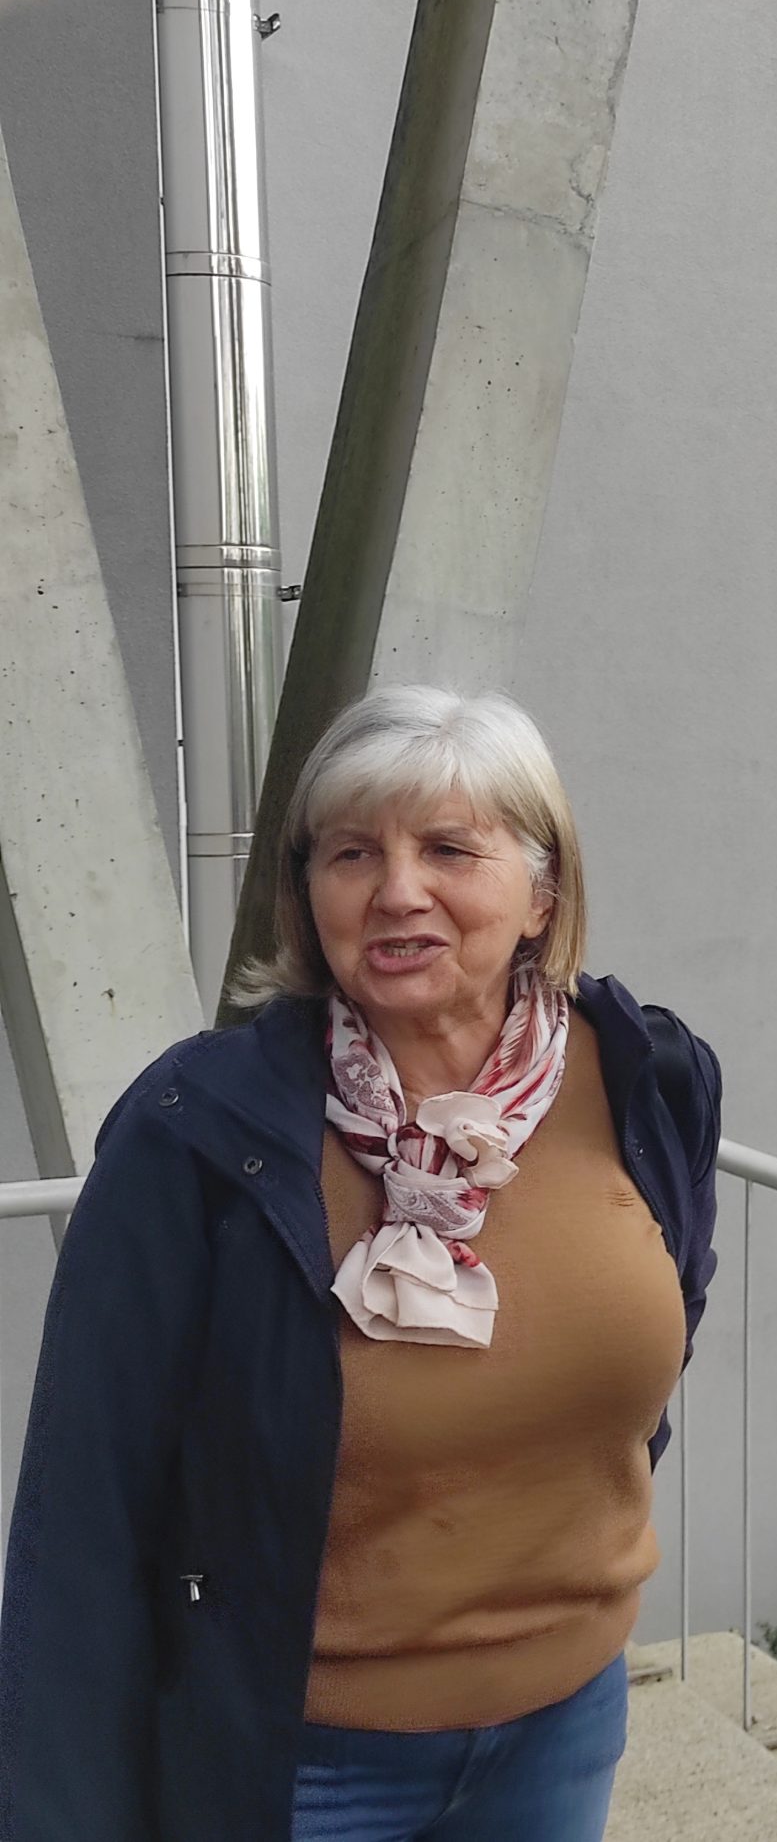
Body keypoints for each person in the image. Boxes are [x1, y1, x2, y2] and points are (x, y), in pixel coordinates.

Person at [0, 687, 722, 1842]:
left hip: (564, 1726)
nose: (396, 889)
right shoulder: (198, 1131)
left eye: (447, 847)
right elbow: (88, 1505)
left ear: (542, 891)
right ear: (308, 894)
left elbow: (666, 1307)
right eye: (352, 853)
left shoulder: (647, 1077)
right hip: (300, 1766)